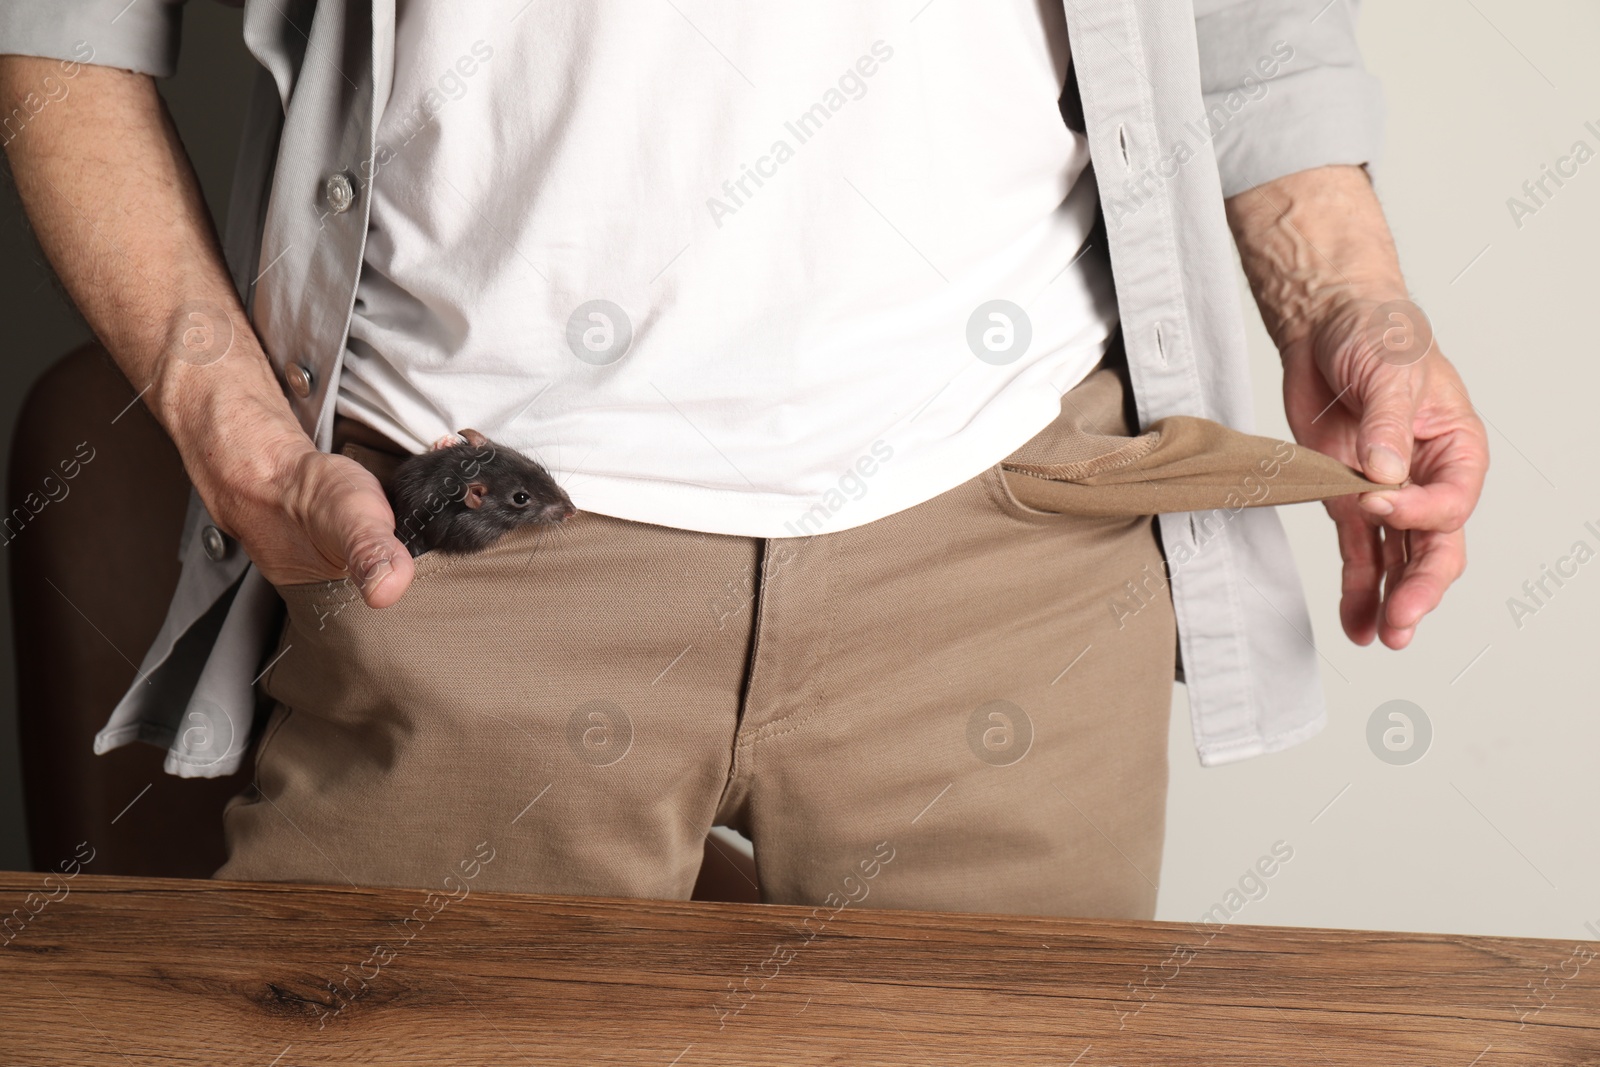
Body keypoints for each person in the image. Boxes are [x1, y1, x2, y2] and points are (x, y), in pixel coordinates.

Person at [0, 0, 1486, 918]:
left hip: (1014, 547)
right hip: (455, 556)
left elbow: (1247, 16)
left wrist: (1348, 295)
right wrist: (229, 422)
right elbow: (62, 24)